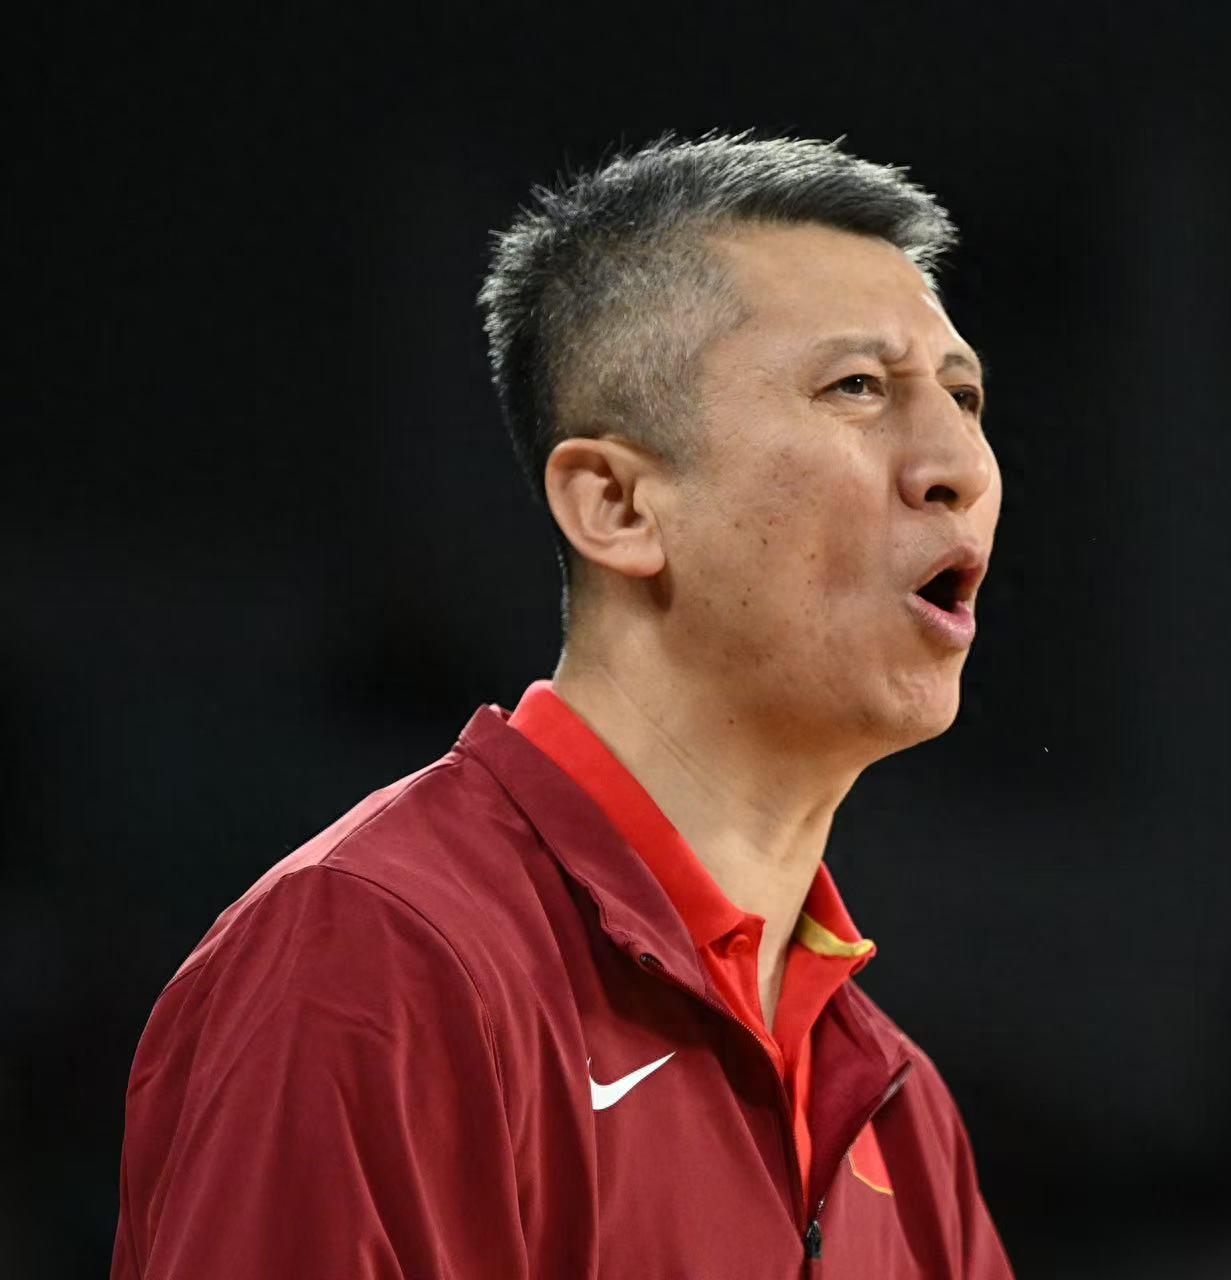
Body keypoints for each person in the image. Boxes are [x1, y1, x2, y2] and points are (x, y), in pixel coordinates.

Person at [111, 133, 1012, 1278]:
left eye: (964, 395)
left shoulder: (901, 1114)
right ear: (617, 505)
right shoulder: (383, 958)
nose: (959, 463)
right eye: (857, 389)